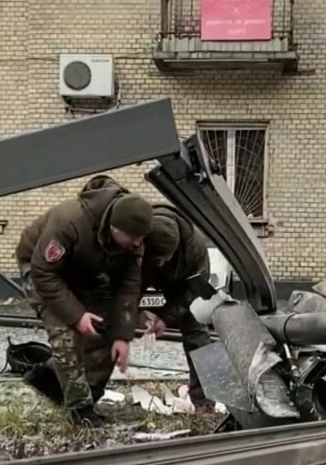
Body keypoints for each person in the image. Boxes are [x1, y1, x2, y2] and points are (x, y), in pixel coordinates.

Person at [15, 176, 154, 426]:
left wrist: (123, 334)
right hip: (42, 269)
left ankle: (80, 392)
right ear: (114, 228)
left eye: (140, 238)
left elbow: (128, 287)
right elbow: (44, 273)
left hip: (84, 269)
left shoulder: (133, 241)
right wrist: (77, 315)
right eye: (132, 237)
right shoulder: (68, 221)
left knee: (103, 330)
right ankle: (79, 411)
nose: (137, 244)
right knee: (66, 333)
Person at [139, 201, 218, 411]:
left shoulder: (196, 247)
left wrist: (166, 317)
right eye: (157, 259)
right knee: (113, 323)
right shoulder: (138, 238)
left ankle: (206, 401)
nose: (161, 264)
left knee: (197, 332)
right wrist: (137, 311)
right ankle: (88, 397)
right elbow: (128, 285)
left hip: (185, 284)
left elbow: (196, 291)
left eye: (165, 259)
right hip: (144, 278)